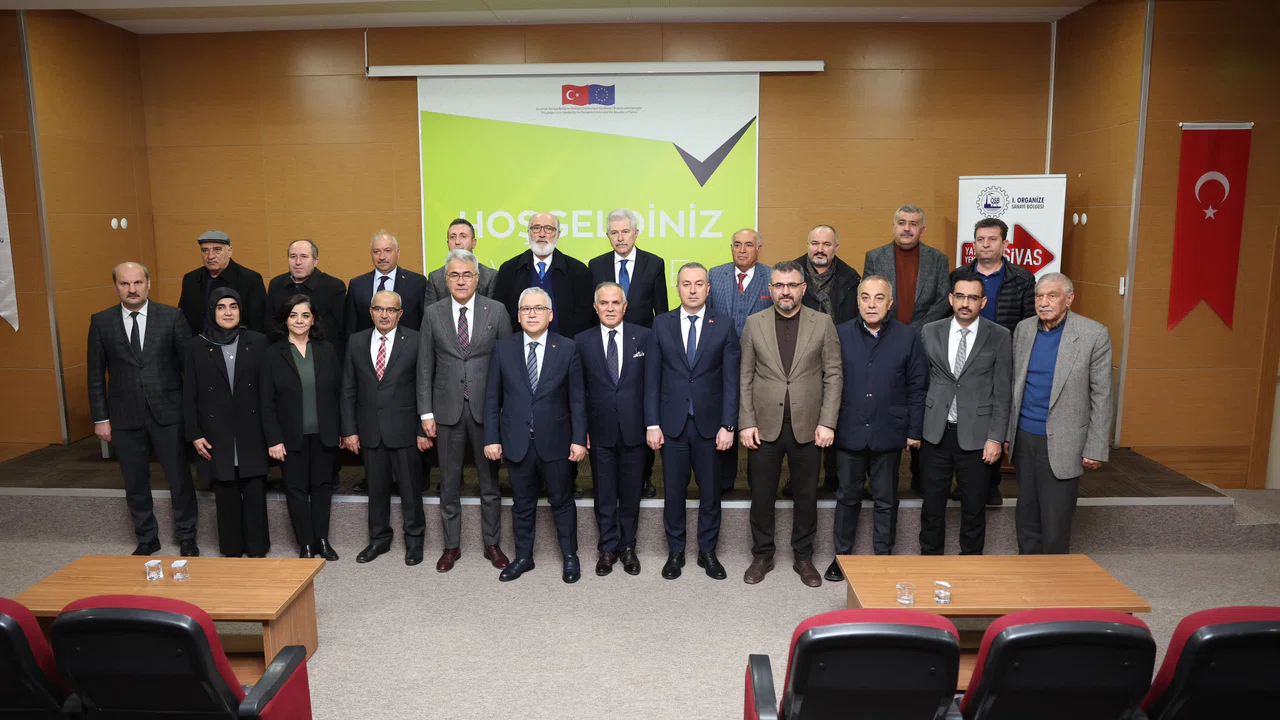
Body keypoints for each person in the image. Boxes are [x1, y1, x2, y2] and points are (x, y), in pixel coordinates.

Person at [739, 261, 842, 588]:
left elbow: (834, 375)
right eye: (780, 286)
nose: (786, 291)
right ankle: (762, 555)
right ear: (770, 289)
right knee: (762, 495)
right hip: (763, 426)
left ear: (803, 288)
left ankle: (803, 557)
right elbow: (744, 377)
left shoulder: (822, 323)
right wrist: (746, 422)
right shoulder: (754, 323)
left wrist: (827, 422)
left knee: (806, 496)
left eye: (792, 285)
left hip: (809, 427)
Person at [87, 262, 199, 557]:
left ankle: (187, 536)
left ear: (148, 283)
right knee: (135, 480)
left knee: (179, 478)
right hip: (124, 415)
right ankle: (147, 537)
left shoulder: (172, 316)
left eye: (137, 282)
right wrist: (101, 418)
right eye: (125, 284)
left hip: (169, 412)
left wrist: (193, 413)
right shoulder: (101, 321)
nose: (132, 289)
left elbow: (190, 369)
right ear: (115, 287)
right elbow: (95, 375)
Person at [417, 249, 512, 572]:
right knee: (449, 482)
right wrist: (425, 413)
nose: (461, 280)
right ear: (446, 279)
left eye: (467, 274)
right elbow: (424, 366)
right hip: (446, 410)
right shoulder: (433, 313)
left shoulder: (496, 310)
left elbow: (508, 364)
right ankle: (451, 546)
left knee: (490, 483)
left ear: (478, 278)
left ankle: (492, 544)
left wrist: (504, 409)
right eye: (454, 275)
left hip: (488, 411)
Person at [484, 287, 587, 584]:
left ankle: (570, 557)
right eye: (526, 309)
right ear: (518, 316)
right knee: (522, 504)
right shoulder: (503, 348)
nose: (532, 314)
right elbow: (492, 398)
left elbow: (577, 399)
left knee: (562, 502)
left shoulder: (567, 347)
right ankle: (523, 558)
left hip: (557, 441)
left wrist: (579, 439)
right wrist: (491, 438)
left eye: (538, 308)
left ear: (550, 315)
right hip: (516, 441)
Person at [827, 276, 927, 579]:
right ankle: (842, 557)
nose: (872, 304)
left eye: (879, 298)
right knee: (847, 496)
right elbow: (829, 381)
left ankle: (884, 556)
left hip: (889, 430)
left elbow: (917, 386)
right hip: (849, 429)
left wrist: (914, 430)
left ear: (890, 303)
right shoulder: (840, 333)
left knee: (886, 500)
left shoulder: (908, 336)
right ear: (858, 301)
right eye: (866, 297)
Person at [645, 263, 740, 581]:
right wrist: (652, 423)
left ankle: (707, 552)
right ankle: (675, 552)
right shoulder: (661, 323)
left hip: (711, 427)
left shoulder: (723, 324)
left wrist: (729, 425)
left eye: (699, 283)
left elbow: (731, 381)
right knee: (674, 492)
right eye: (686, 284)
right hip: (672, 425)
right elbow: (652, 378)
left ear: (708, 289)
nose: (693, 289)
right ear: (677, 288)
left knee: (711, 492)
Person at [1007, 273, 1112, 555]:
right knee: (1026, 511)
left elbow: (1102, 395)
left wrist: (1096, 447)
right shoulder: (1024, 329)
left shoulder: (1093, 334)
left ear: (1069, 299)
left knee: (1056, 520)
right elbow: (1014, 385)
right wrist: (1007, 434)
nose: (1043, 302)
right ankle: (1028, 567)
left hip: (1066, 440)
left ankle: (1054, 576)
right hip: (1025, 436)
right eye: (1039, 296)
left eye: (1052, 296)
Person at [918, 272, 1012, 556]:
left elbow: (1002, 392)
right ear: (951, 299)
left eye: (973, 297)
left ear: (983, 302)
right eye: (960, 296)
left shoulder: (999, 335)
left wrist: (996, 438)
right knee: (932, 504)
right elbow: (919, 383)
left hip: (978, 436)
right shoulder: (929, 331)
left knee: (973, 507)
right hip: (935, 432)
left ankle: (970, 562)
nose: (965, 303)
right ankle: (930, 559)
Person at [863, 205, 952, 494]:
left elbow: (943, 300)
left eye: (913, 224)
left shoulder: (938, 259)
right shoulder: (875, 257)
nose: (906, 228)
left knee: (918, 401)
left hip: (924, 342)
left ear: (922, 229)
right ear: (893, 226)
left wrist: (914, 332)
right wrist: (894, 332)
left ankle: (919, 473)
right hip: (883, 341)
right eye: (901, 222)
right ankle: (876, 473)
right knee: (882, 402)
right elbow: (871, 299)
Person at [341, 290, 430, 566]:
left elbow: (423, 386)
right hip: (370, 429)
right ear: (370, 312)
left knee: (410, 490)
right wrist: (349, 429)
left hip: (405, 429)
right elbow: (348, 388)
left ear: (400, 314)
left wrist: (422, 429)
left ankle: (414, 541)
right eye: (379, 309)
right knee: (376, 490)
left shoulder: (415, 340)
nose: (384, 314)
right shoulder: (356, 341)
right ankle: (378, 539)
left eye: (390, 310)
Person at [182, 288, 270, 558]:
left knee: (254, 491)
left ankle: (257, 547)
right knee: (226, 492)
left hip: (252, 428)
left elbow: (267, 391)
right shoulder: (196, 346)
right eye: (221, 307)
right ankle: (231, 548)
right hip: (216, 431)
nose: (228, 312)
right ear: (212, 311)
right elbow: (189, 394)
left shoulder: (258, 341)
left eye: (234, 306)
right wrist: (194, 433)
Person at [957, 217, 1037, 506]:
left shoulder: (1022, 279)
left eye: (992, 239)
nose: (986, 245)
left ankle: (991, 485)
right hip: (966, 361)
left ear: (1005, 243)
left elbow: (1029, 323)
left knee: (995, 422)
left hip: (1004, 359)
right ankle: (965, 483)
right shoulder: (959, 275)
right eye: (980, 239)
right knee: (965, 420)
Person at [575, 282, 648, 577]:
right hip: (599, 430)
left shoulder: (644, 336)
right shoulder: (581, 341)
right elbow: (577, 392)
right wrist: (581, 430)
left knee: (631, 492)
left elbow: (652, 386)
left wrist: (652, 424)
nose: (610, 308)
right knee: (604, 493)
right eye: (604, 303)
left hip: (635, 429)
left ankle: (628, 546)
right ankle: (607, 547)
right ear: (595, 307)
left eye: (615, 303)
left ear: (625, 306)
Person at [262, 295, 342, 561]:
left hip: (324, 434)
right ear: (285, 319)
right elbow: (266, 402)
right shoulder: (272, 354)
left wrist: (343, 430)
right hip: (289, 437)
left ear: (313, 319)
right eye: (293, 315)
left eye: (305, 315)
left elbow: (339, 393)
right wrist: (273, 439)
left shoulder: (327, 350)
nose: (299, 320)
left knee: (322, 488)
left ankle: (322, 540)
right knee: (296, 490)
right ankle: (306, 543)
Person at [792, 224, 861, 495]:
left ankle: (834, 477)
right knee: (800, 417)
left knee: (835, 415)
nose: (820, 249)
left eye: (826, 244)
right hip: (799, 357)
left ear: (836, 248)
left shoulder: (850, 278)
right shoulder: (792, 272)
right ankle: (798, 480)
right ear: (807, 245)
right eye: (815, 243)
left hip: (837, 355)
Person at [708, 228, 773, 496]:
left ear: (759, 248)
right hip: (719, 364)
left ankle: (760, 484)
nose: (742, 250)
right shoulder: (714, 275)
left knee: (758, 423)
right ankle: (725, 482)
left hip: (761, 365)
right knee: (724, 420)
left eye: (748, 245)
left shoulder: (772, 277)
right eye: (737, 244)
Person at [493, 212, 595, 338]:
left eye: (548, 229)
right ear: (529, 233)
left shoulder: (578, 271)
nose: (542, 234)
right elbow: (501, 315)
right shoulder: (509, 270)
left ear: (558, 234)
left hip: (566, 346)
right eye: (536, 228)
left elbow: (585, 317)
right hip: (519, 346)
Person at [266, 239, 348, 355]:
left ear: (315, 261)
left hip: (322, 356)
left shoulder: (333, 287)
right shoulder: (276, 285)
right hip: (283, 354)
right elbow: (269, 325)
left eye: (304, 257)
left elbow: (342, 330)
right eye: (293, 256)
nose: (298, 262)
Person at [178, 230, 267, 335]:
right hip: (197, 342)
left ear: (230, 251)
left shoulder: (250, 280)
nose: (210, 256)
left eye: (217, 250)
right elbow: (182, 320)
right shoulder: (191, 279)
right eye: (205, 250)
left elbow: (257, 324)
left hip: (237, 342)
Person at [347, 229, 428, 334]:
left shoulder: (417, 282)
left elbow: (425, 324)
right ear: (371, 254)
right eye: (376, 252)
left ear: (398, 253)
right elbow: (350, 328)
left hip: (408, 343)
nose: (382, 257)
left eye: (387, 251)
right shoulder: (357, 285)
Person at [424, 218, 497, 306]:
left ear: (474, 242)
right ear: (448, 243)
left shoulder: (490, 276)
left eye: (463, 236)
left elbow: (493, 311)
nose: (457, 242)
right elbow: (431, 313)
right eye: (452, 237)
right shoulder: (435, 278)